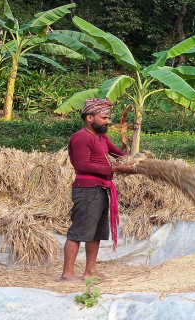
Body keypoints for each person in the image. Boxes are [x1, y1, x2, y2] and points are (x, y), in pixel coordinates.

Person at [60, 98, 134, 284]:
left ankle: (90, 271)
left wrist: (138, 161)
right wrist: (116, 169)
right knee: (78, 233)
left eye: (108, 117)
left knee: (96, 233)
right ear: (89, 118)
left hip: (101, 190)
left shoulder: (101, 137)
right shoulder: (81, 137)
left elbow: (118, 153)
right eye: (104, 118)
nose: (108, 121)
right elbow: (82, 165)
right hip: (86, 191)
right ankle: (67, 275)